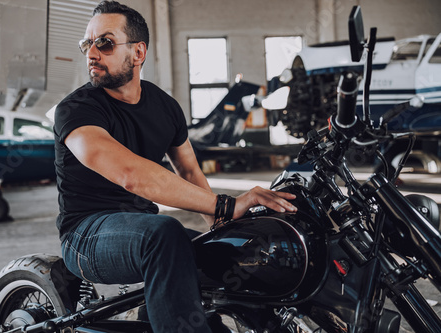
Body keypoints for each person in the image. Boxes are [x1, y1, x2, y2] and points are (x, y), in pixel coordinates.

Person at [53, 1, 297, 332]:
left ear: (138, 53)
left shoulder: (165, 107)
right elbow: (131, 175)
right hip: (85, 235)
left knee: (234, 253)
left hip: (143, 231)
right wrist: (227, 203)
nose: (91, 54)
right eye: (88, 43)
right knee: (163, 233)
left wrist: (221, 225)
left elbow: (190, 171)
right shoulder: (75, 110)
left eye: (104, 43)